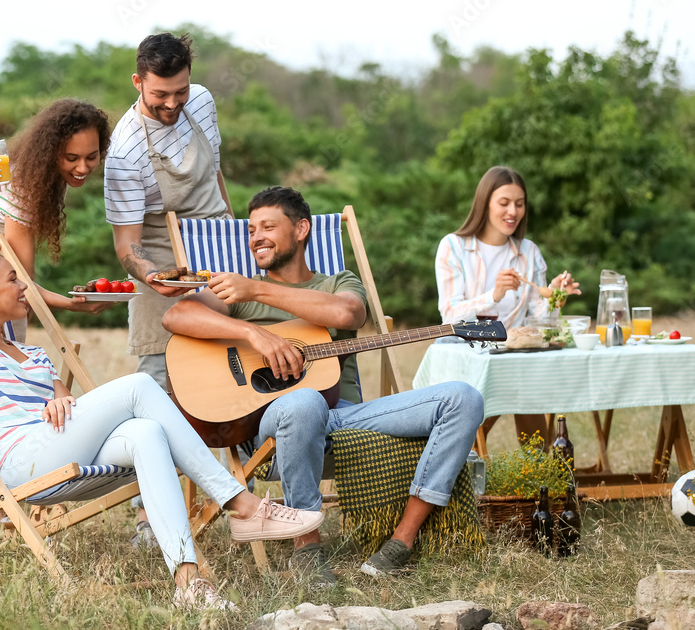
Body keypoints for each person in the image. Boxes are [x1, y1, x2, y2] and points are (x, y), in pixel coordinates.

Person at [0, 173, 324, 611]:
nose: (26, 286)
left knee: (144, 434)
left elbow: (63, 400)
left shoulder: (33, 354)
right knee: (138, 387)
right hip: (17, 463)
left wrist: (60, 395)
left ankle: (188, 584)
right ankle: (241, 504)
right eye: (13, 280)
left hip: (54, 447)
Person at [162, 186, 485, 583]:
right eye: (250, 229)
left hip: (345, 418)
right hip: (274, 425)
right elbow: (177, 315)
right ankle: (307, 551)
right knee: (304, 402)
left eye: (267, 226)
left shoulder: (334, 282)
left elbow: (350, 312)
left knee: (464, 398)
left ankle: (402, 540)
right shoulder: (238, 296)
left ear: (301, 229)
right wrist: (252, 335)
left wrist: (260, 288)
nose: (255, 237)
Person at [0, 98, 118, 510]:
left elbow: (20, 279)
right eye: (71, 157)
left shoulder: (41, 174)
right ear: (50, 150)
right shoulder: (24, 184)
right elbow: (23, 281)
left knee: (11, 386)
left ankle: (0, 504)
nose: (83, 167)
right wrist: (73, 306)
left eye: (92, 157)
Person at [103, 32, 234, 545]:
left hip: (218, 245)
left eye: (179, 91)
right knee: (159, 381)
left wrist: (233, 231)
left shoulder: (201, 101)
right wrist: (152, 275)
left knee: (238, 368)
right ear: (138, 82)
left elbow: (216, 175)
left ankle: (246, 487)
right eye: (161, 95)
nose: (173, 104)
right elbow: (126, 247)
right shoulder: (125, 150)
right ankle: (147, 514)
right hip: (159, 261)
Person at [434, 165, 581, 441]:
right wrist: (494, 295)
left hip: (513, 357)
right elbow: (449, 315)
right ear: (485, 204)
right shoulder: (453, 247)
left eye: (519, 204)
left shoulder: (529, 252)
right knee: (500, 389)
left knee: (526, 381)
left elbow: (539, 319)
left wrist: (554, 295)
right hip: (468, 353)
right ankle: (468, 459)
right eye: (504, 203)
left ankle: (537, 469)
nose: (512, 212)